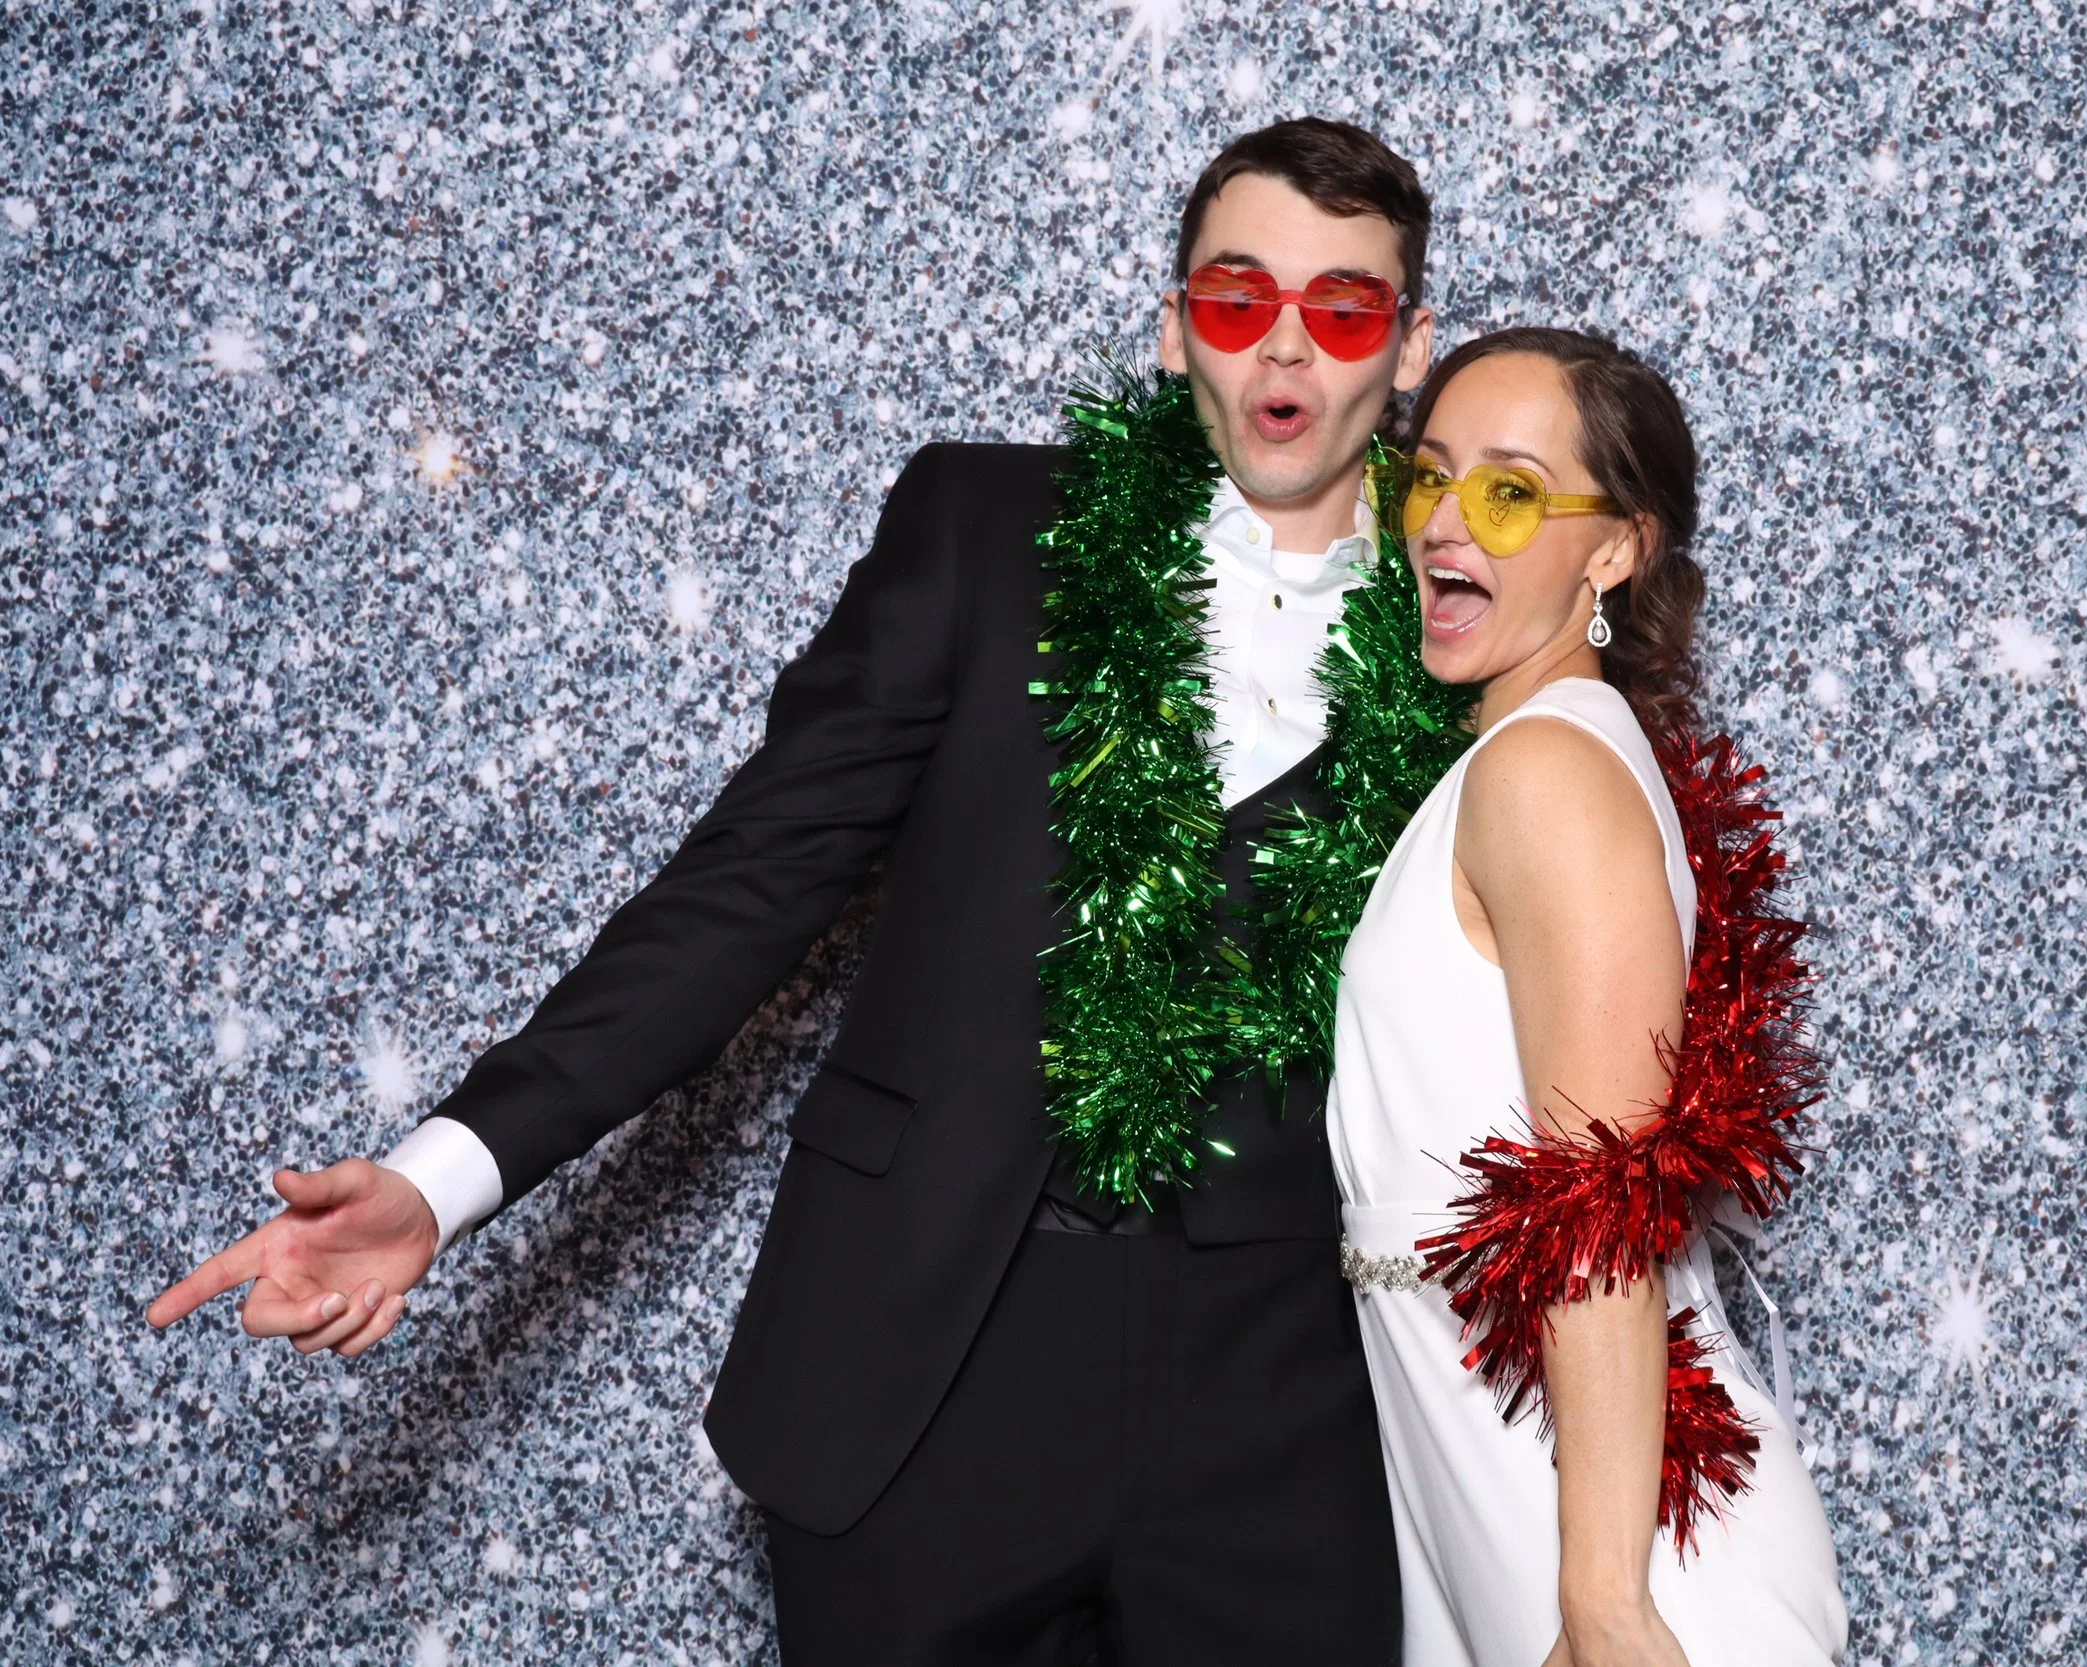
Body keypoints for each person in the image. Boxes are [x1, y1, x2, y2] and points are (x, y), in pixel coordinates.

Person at [148, 118, 1444, 1665]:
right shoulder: (984, 533)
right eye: (1238, 299)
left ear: (1411, 348)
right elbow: (745, 890)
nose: (1286, 344)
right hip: (923, 1376)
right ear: (1175, 329)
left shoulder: (1476, 624)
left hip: (1284, 1416)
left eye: (1344, 308)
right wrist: (440, 1177)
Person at [1327, 329, 1849, 1666]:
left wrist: (1607, 1606)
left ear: (1615, 548)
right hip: (1492, 1472)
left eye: (1506, 493)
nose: (1444, 523)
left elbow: (1602, 1201)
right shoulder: (1527, 755)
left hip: (1616, 1535)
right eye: (1428, 477)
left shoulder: (1546, 773)